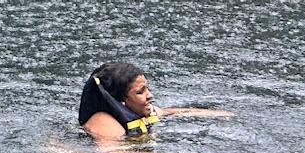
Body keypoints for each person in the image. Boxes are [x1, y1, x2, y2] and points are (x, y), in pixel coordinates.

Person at [77, 61, 227, 146]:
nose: (150, 95)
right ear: (120, 101)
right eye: (140, 92)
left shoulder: (142, 110)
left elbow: (171, 112)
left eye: (147, 89)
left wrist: (219, 114)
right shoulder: (103, 122)